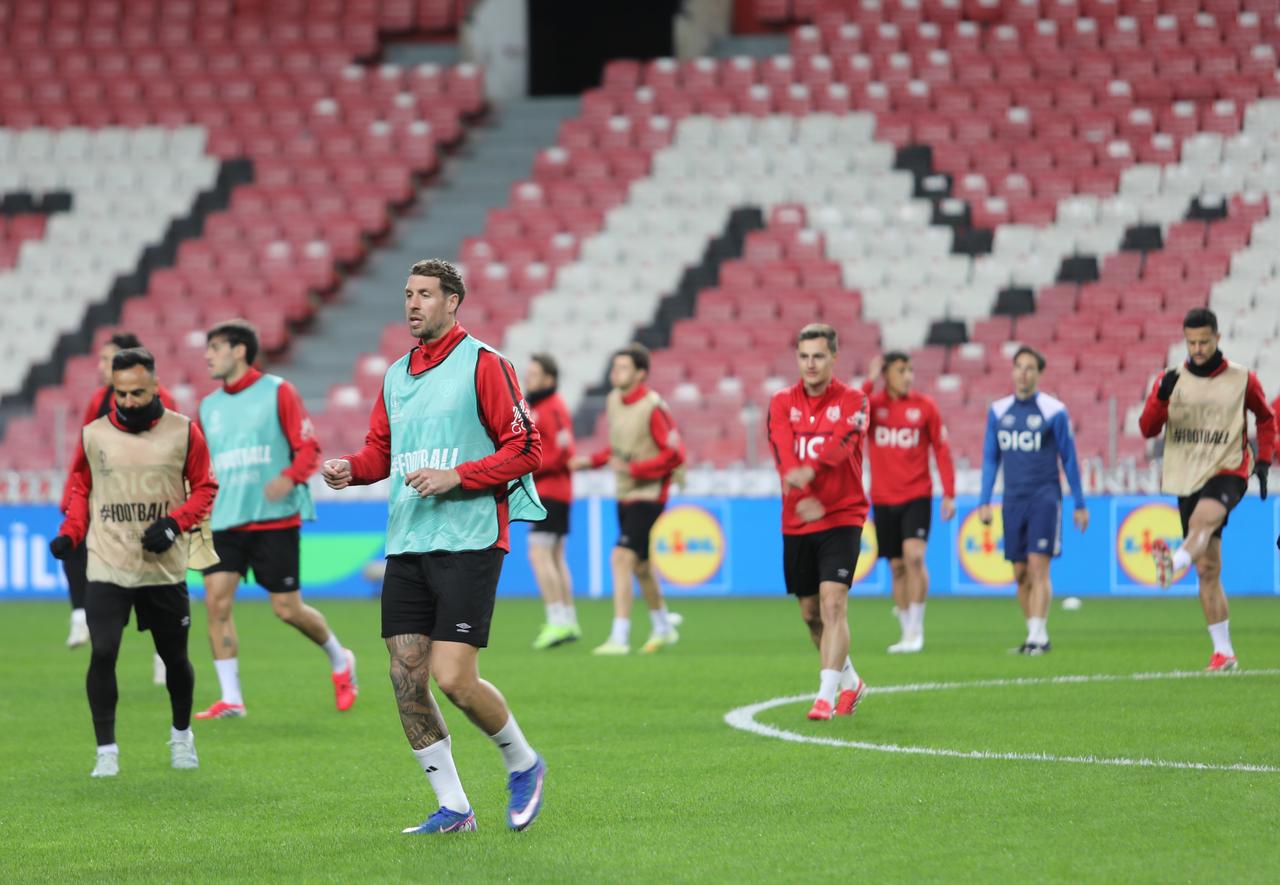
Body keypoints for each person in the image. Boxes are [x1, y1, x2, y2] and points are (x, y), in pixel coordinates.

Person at [321, 259, 548, 835]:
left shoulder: (486, 364)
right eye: (407, 294)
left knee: (454, 679)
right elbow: (381, 452)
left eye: (425, 294)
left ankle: (523, 762)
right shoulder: (396, 375)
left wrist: (459, 477)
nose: (412, 304)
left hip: (469, 540)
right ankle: (454, 808)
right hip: (407, 540)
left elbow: (527, 448)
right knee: (405, 678)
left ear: (453, 301)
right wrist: (352, 468)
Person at [48, 347, 218, 777]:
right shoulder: (94, 435)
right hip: (108, 563)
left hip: (162, 568)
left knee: (175, 659)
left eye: (137, 393)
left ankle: (181, 736)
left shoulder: (184, 432)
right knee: (103, 652)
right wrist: (71, 532)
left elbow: (205, 488)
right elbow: (81, 489)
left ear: (155, 386)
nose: (127, 401)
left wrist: (175, 524)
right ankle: (106, 751)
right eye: (120, 394)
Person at [193, 319, 357, 720]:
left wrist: (288, 478)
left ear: (239, 351)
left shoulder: (278, 391)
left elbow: (309, 447)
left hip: (274, 520)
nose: (207, 356)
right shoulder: (208, 407)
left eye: (215, 348)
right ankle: (232, 698)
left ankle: (340, 658)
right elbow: (201, 464)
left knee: (287, 609)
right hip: (225, 520)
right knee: (216, 602)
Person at [1139, 308, 1273, 671]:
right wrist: (1160, 398)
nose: (1197, 349)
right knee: (1208, 569)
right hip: (1187, 475)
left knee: (1202, 522)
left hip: (1229, 469)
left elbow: (1265, 417)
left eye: (1204, 341)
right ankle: (1224, 652)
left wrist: (1263, 460)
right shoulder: (1170, 379)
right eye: (1191, 342)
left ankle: (1174, 563)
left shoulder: (1242, 378)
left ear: (1217, 338)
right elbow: (1148, 429)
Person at [61, 331, 176, 691]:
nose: (101, 367)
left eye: (107, 360)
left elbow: (178, 449)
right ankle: (80, 614)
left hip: (147, 503)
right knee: (74, 545)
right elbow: (83, 452)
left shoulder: (162, 398)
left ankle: (164, 654)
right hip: (107, 501)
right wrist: (70, 499)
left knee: (152, 580)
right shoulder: (99, 399)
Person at [767, 324, 869, 721]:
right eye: (804, 356)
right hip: (798, 518)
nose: (810, 364)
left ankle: (825, 697)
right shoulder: (781, 401)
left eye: (819, 356)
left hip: (842, 514)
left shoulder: (854, 400)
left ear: (834, 358)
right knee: (811, 614)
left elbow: (843, 444)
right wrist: (798, 484)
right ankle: (851, 681)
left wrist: (809, 474)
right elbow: (780, 445)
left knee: (833, 603)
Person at [569, 343, 685, 656]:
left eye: (622, 368)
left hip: (649, 494)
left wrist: (635, 469)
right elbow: (618, 449)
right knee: (641, 566)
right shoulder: (613, 400)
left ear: (640, 374)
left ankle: (619, 636)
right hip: (625, 493)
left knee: (621, 557)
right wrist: (591, 461)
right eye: (614, 366)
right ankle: (664, 627)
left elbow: (675, 454)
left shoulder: (653, 406)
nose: (615, 372)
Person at [978, 346, 1088, 655]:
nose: (1023, 373)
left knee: (1039, 567)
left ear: (1039, 374)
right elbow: (990, 458)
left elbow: (1069, 458)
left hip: (1044, 498)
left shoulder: (1054, 411)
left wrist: (1079, 503)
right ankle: (1033, 635)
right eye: (1019, 367)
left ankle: (1039, 637)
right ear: (1012, 371)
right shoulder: (998, 411)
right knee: (1020, 573)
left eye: (1030, 368)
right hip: (1012, 500)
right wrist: (984, 500)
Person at [863, 352, 956, 654]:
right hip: (883, 497)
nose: (907, 376)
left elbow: (941, 449)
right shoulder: (873, 407)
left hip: (917, 494)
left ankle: (917, 629)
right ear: (886, 374)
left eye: (910, 370)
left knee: (914, 557)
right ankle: (905, 632)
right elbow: (852, 416)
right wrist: (869, 380)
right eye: (901, 371)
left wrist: (949, 492)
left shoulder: (925, 406)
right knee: (897, 566)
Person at [524, 353, 580, 650]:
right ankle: (568, 620)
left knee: (539, 554)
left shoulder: (553, 406)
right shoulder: (539, 406)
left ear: (549, 378)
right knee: (556, 556)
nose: (528, 378)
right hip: (552, 490)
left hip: (551, 491)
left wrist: (526, 466)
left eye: (534, 374)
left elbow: (563, 452)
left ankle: (557, 620)